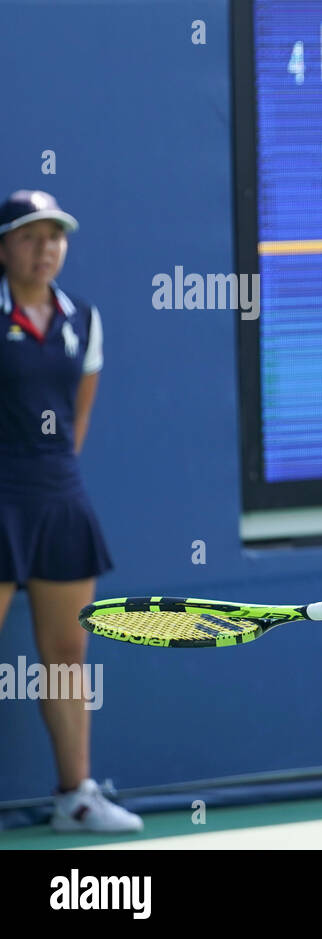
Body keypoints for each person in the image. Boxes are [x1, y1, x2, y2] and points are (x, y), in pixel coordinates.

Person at [0, 190, 140, 832]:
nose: (45, 247)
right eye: (31, 236)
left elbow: (75, 422)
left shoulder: (84, 318)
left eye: (55, 236)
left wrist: (48, 478)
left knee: (66, 653)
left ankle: (75, 797)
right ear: (5, 248)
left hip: (58, 499)